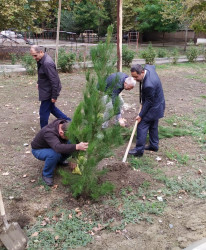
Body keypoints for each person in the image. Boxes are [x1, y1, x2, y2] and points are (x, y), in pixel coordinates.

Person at [31, 118, 88, 186]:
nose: (69, 138)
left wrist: (74, 158)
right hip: (39, 150)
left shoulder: (66, 126)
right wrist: (77, 146)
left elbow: (76, 141)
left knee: (71, 143)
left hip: (54, 145)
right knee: (54, 154)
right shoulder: (48, 132)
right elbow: (57, 147)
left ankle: (60, 161)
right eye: (68, 137)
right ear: (61, 133)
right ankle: (47, 174)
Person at [30, 45, 71, 128]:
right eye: (32, 55)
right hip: (46, 89)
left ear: (41, 52)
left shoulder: (47, 63)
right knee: (52, 109)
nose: (34, 58)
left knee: (43, 113)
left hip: (49, 91)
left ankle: (44, 132)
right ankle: (69, 121)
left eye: (35, 55)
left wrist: (54, 96)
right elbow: (42, 74)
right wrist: (39, 82)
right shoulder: (41, 59)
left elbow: (54, 81)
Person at [129, 64, 165, 157]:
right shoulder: (148, 68)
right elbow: (153, 66)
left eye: (136, 77)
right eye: (133, 77)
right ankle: (154, 146)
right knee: (153, 125)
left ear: (142, 72)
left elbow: (148, 102)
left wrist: (140, 115)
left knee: (142, 125)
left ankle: (139, 150)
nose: (135, 79)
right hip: (159, 103)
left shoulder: (149, 85)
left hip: (154, 107)